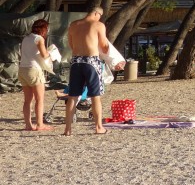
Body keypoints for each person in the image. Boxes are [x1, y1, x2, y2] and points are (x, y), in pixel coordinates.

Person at [66, 7, 121, 135]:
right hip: (91, 61)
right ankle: (98, 127)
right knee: (95, 95)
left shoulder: (73, 25)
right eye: (100, 16)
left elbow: (71, 44)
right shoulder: (98, 25)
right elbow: (104, 46)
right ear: (96, 13)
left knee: (73, 96)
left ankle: (67, 129)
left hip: (76, 61)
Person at [20, 18, 54, 131]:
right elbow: (44, 55)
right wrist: (51, 53)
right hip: (34, 69)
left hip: (22, 69)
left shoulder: (26, 38)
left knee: (27, 100)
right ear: (43, 29)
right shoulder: (39, 39)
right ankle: (40, 124)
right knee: (39, 99)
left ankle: (28, 125)